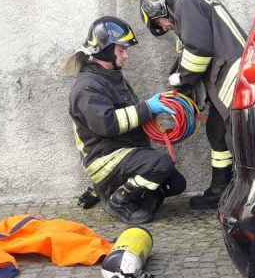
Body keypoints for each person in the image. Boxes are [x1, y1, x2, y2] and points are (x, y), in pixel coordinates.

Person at [66, 16, 187, 225]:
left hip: (125, 151)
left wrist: (149, 112)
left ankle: (134, 198)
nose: (126, 55)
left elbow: (129, 114)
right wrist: (147, 108)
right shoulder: (87, 86)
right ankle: (117, 201)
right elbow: (108, 124)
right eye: (121, 50)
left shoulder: (110, 76)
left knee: (176, 184)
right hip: (106, 158)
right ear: (105, 49)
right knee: (161, 164)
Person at [139, 0, 245, 209]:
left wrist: (180, 79)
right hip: (225, 77)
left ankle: (247, 195)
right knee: (217, 132)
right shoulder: (194, 5)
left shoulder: (185, 3)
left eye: (159, 22)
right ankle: (220, 189)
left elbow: (198, 51)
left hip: (234, 78)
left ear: (160, 8)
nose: (165, 27)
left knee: (238, 137)